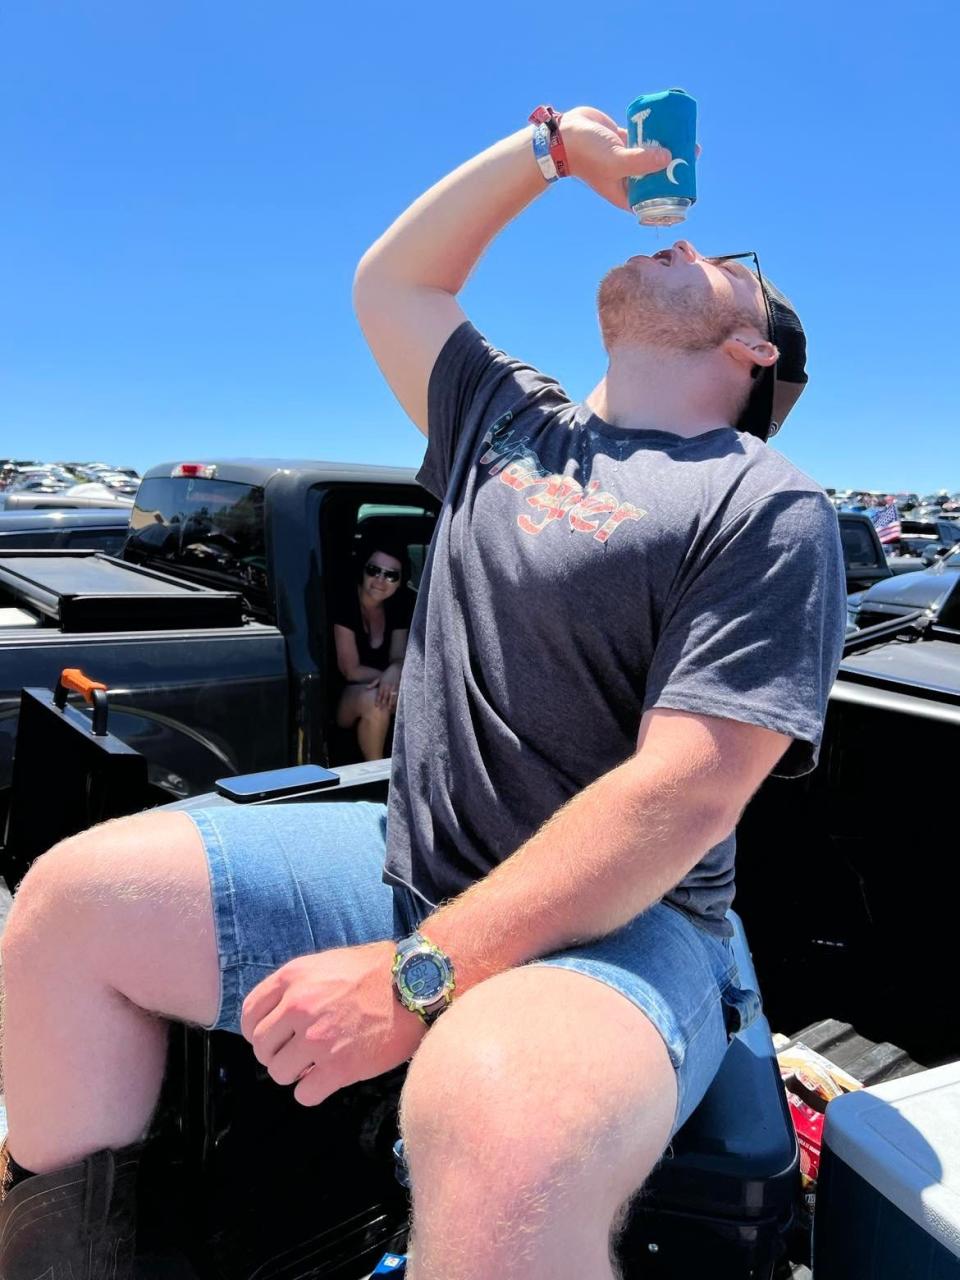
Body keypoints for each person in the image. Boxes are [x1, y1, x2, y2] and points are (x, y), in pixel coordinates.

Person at [0, 103, 845, 1280]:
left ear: (755, 352)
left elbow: (685, 790)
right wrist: (546, 153)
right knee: (65, 908)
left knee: (499, 1115)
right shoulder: (509, 418)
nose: (690, 247)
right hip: (409, 865)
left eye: (726, 267)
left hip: (630, 929)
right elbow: (394, 279)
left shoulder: (764, 502)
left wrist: (418, 974)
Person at [334, 540, 413, 760]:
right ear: (363, 570)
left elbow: (397, 657)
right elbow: (350, 670)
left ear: (399, 582)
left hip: (383, 688)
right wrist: (388, 679)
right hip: (346, 696)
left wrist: (396, 669)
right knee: (375, 701)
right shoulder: (345, 601)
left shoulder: (399, 605)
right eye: (374, 570)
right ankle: (377, 777)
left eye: (391, 575)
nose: (380, 580)